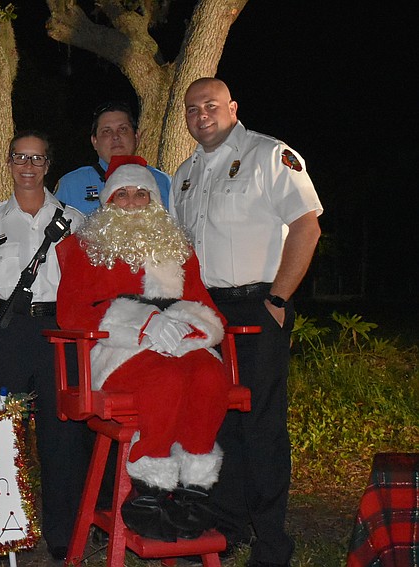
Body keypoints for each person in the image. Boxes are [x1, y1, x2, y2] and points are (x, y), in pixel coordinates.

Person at [169, 77, 323, 567]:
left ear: (232, 107)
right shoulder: (184, 174)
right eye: (192, 109)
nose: (201, 115)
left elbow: (306, 224)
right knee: (217, 425)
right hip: (207, 312)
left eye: (210, 105)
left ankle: (272, 543)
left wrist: (277, 300)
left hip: (259, 305)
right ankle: (226, 527)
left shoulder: (268, 156)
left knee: (261, 426)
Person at [56, 155, 230, 543]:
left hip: (177, 343)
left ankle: (193, 491)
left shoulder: (177, 246)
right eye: (123, 195)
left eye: (142, 195)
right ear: (108, 202)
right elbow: (72, 314)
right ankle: (149, 487)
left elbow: (204, 304)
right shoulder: (85, 248)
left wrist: (192, 327)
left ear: (154, 201)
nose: (133, 203)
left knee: (209, 375)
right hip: (120, 349)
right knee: (164, 380)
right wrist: (141, 322)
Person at [0, 131, 90, 560]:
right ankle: (3, 529)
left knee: (61, 437)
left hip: (58, 332)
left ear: (47, 165)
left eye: (37, 159)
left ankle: (61, 531)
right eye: (20, 157)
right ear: (9, 162)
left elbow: (84, 285)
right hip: (8, 332)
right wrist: (8, 320)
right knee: (3, 433)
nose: (28, 166)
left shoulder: (74, 221)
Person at [54, 101, 170, 215]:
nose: (115, 136)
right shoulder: (71, 185)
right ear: (94, 141)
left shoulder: (164, 183)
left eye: (123, 129)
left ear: (137, 137)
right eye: (106, 131)